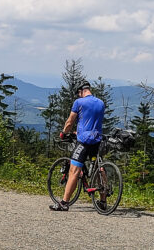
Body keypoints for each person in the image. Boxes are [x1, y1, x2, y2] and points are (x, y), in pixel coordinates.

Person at [50, 79, 105, 211]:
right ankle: (103, 200)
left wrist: (64, 132)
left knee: (74, 171)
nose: (78, 95)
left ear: (81, 91)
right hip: (97, 140)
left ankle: (64, 203)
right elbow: (92, 122)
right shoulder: (101, 103)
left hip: (84, 141)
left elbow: (70, 121)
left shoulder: (79, 102)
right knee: (99, 168)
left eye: (78, 93)